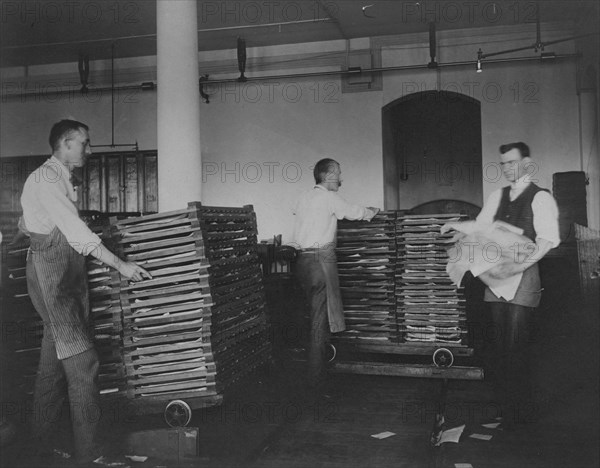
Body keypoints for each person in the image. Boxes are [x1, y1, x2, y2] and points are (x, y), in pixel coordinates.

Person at [20, 119, 151, 464]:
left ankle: (39, 448)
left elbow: (26, 222)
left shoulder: (57, 178)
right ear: (65, 144)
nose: (90, 150)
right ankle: (91, 456)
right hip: (51, 277)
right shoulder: (47, 178)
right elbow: (75, 232)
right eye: (85, 144)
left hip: (59, 275)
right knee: (83, 364)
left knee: (52, 366)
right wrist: (120, 265)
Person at [444, 142, 560, 426]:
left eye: (512, 162)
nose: (508, 168)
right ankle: (505, 407)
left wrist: (519, 264)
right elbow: (482, 227)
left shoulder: (541, 197)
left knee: (518, 344)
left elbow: (547, 240)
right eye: (504, 163)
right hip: (497, 277)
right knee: (499, 345)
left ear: (527, 163)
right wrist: (458, 230)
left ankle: (521, 413)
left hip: (523, 275)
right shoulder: (498, 195)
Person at [291, 158, 379, 393]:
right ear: (328, 176)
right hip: (321, 261)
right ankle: (316, 383)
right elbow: (352, 212)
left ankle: (311, 374)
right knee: (321, 322)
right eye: (338, 173)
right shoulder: (328, 197)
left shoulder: (303, 197)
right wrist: (372, 211)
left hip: (301, 262)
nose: (341, 178)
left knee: (311, 317)